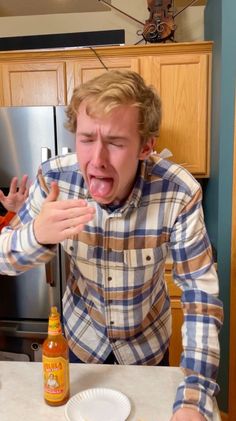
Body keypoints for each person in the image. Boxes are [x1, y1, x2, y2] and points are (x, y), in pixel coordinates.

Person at [0, 70, 223, 421]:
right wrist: (37, 234)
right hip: (80, 345)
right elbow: (4, 258)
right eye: (87, 139)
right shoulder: (54, 178)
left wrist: (195, 396)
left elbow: (200, 297)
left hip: (147, 350)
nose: (97, 159)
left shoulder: (177, 193)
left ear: (146, 146)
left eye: (116, 142)